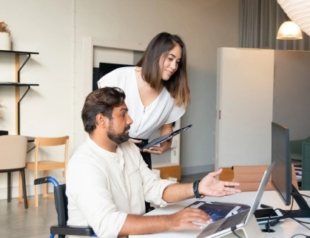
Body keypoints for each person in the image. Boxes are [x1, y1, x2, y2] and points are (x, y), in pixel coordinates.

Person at [66, 87, 241, 238]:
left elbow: (152, 187)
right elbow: (109, 223)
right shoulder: (84, 164)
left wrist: (197, 188)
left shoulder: (127, 148)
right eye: (123, 113)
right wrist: (171, 221)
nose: (130, 120)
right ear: (101, 120)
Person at [97, 32, 190, 171]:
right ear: (155, 54)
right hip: (111, 148)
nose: (174, 66)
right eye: (170, 58)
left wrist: (167, 143)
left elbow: (167, 127)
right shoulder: (119, 77)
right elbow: (97, 116)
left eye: (177, 62)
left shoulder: (172, 94)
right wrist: (119, 137)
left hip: (141, 154)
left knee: (142, 191)